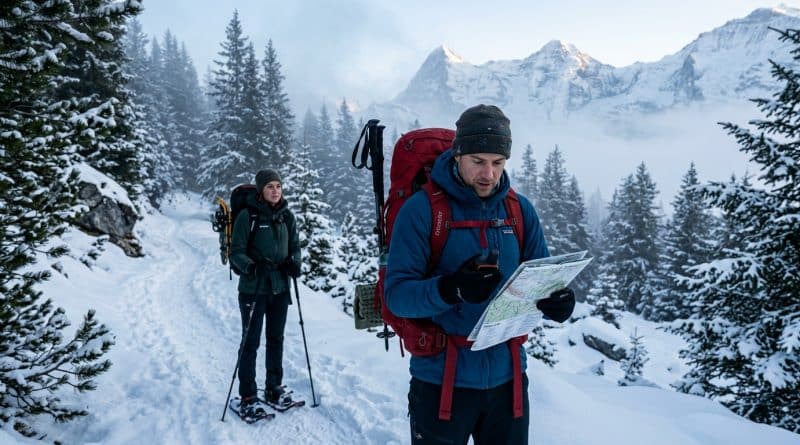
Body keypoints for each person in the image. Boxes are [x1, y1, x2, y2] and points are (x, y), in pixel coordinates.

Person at [385, 104, 576, 444]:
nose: (489, 173)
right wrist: (451, 288)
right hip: (441, 381)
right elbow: (398, 297)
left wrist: (557, 302)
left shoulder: (519, 210)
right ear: (458, 154)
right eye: (478, 161)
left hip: (509, 382)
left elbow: (542, 277)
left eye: (498, 163)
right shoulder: (423, 211)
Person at [229, 169, 301, 415]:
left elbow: (295, 247)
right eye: (270, 186)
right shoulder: (247, 216)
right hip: (253, 288)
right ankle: (248, 394)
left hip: (280, 288)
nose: (275, 190)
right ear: (261, 190)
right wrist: (251, 266)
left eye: (278, 186)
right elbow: (235, 251)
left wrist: (294, 262)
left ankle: (273, 388)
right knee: (251, 342)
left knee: (276, 340)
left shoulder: (287, 216)